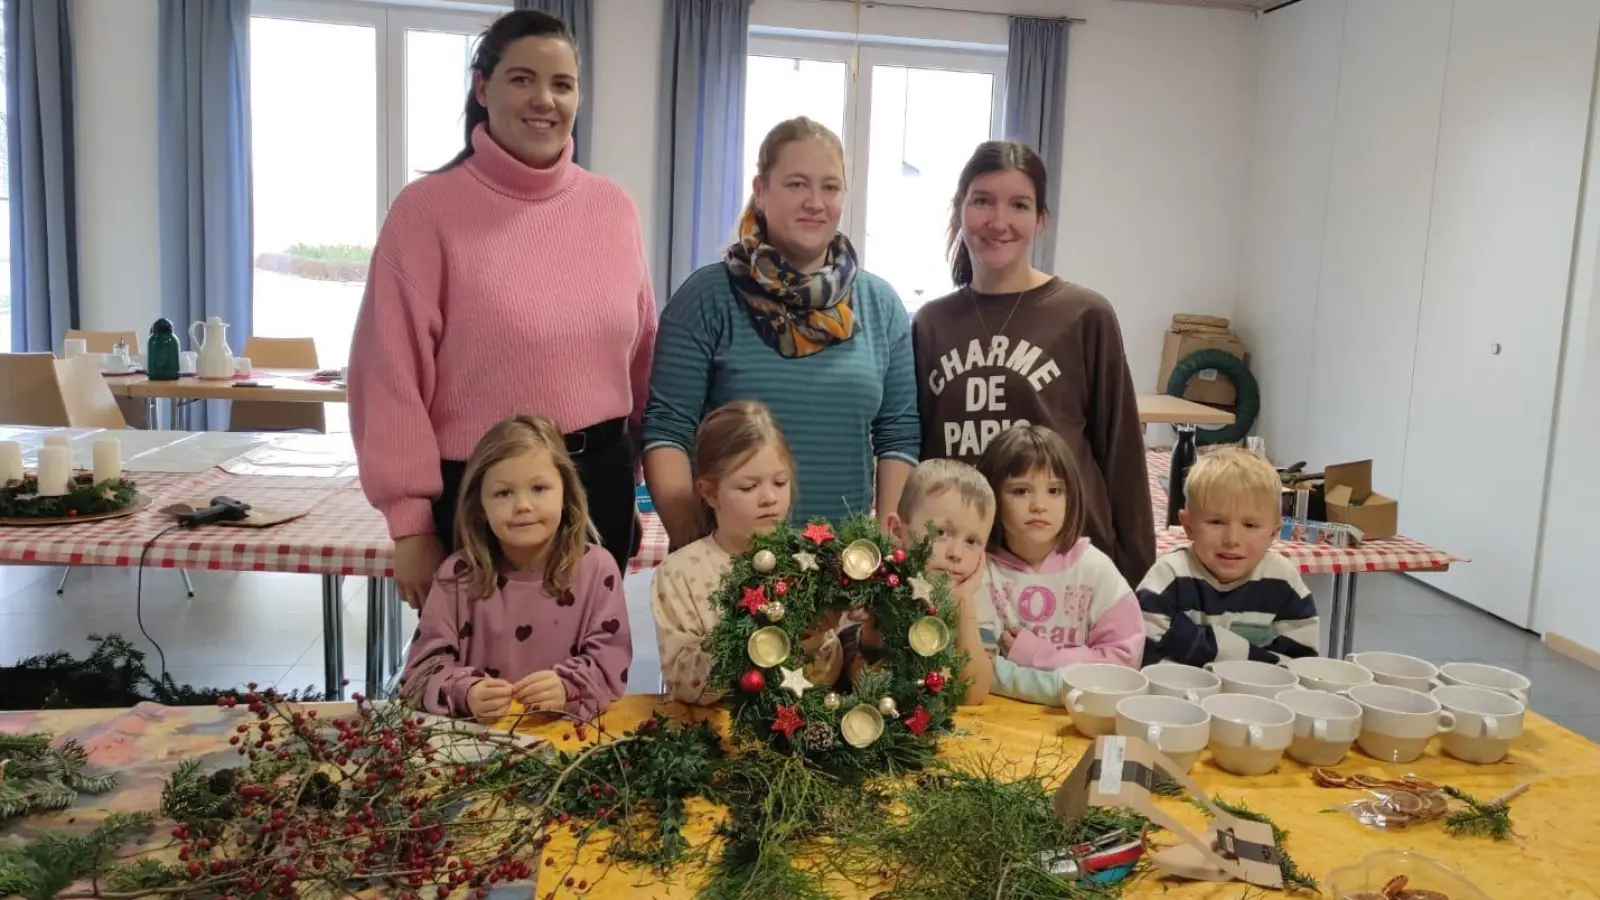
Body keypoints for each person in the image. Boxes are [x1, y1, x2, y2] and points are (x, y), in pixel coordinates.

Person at [349, 10, 655, 608]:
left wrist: (632, 488)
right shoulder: (426, 212)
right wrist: (410, 523)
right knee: (480, 685)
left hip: (598, 486)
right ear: (482, 87)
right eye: (521, 79)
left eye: (562, 84)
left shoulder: (612, 207)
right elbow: (388, 376)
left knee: (587, 678)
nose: (544, 99)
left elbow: (641, 351)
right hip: (481, 493)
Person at [643, 117, 920, 550]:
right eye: (796, 185)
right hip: (733, 566)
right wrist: (696, 545)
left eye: (830, 187)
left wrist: (884, 546)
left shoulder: (882, 306)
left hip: (844, 567)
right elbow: (666, 430)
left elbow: (898, 434)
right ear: (761, 190)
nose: (815, 201)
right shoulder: (707, 297)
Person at [912, 141, 1154, 587]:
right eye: (982, 201)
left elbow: (1122, 457)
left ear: (1040, 219)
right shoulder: (931, 324)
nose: (998, 221)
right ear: (959, 211)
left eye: (1019, 205)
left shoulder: (1084, 314)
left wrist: (1138, 578)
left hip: (1067, 567)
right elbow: (918, 452)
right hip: (960, 564)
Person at [399, 416, 631, 722]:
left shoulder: (597, 570)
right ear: (480, 507)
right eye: (503, 493)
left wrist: (567, 689)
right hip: (476, 742)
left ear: (566, 495)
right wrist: (466, 692)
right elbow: (420, 671)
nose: (523, 505)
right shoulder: (457, 575)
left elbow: (610, 662)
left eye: (539, 488)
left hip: (567, 740)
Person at [651, 401, 842, 705]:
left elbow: (827, 673)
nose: (769, 498)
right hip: (713, 735)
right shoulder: (680, 573)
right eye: (749, 487)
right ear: (710, 493)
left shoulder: (807, 562)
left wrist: (815, 638)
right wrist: (764, 641)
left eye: (780, 483)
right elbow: (683, 679)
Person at [974, 426, 1144, 707]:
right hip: (993, 720)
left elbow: (1122, 666)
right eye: (1021, 491)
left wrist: (1039, 656)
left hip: (1078, 721)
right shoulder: (978, 568)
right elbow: (976, 665)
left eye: (1054, 490)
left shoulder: (1095, 570)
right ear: (991, 496)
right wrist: (1058, 685)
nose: (1039, 505)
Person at [1138, 446, 1318, 666]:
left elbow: (1299, 665)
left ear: (1273, 533)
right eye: (1216, 522)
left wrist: (1198, 642)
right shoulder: (1168, 576)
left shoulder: (1284, 582)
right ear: (1188, 526)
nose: (1232, 539)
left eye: (1250, 525)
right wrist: (1252, 657)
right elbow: (1143, 655)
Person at [879, 459, 996, 704]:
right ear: (898, 531)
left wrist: (963, 604)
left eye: (972, 541)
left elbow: (973, 694)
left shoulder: (976, 600)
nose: (956, 553)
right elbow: (867, 678)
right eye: (941, 533)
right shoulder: (883, 588)